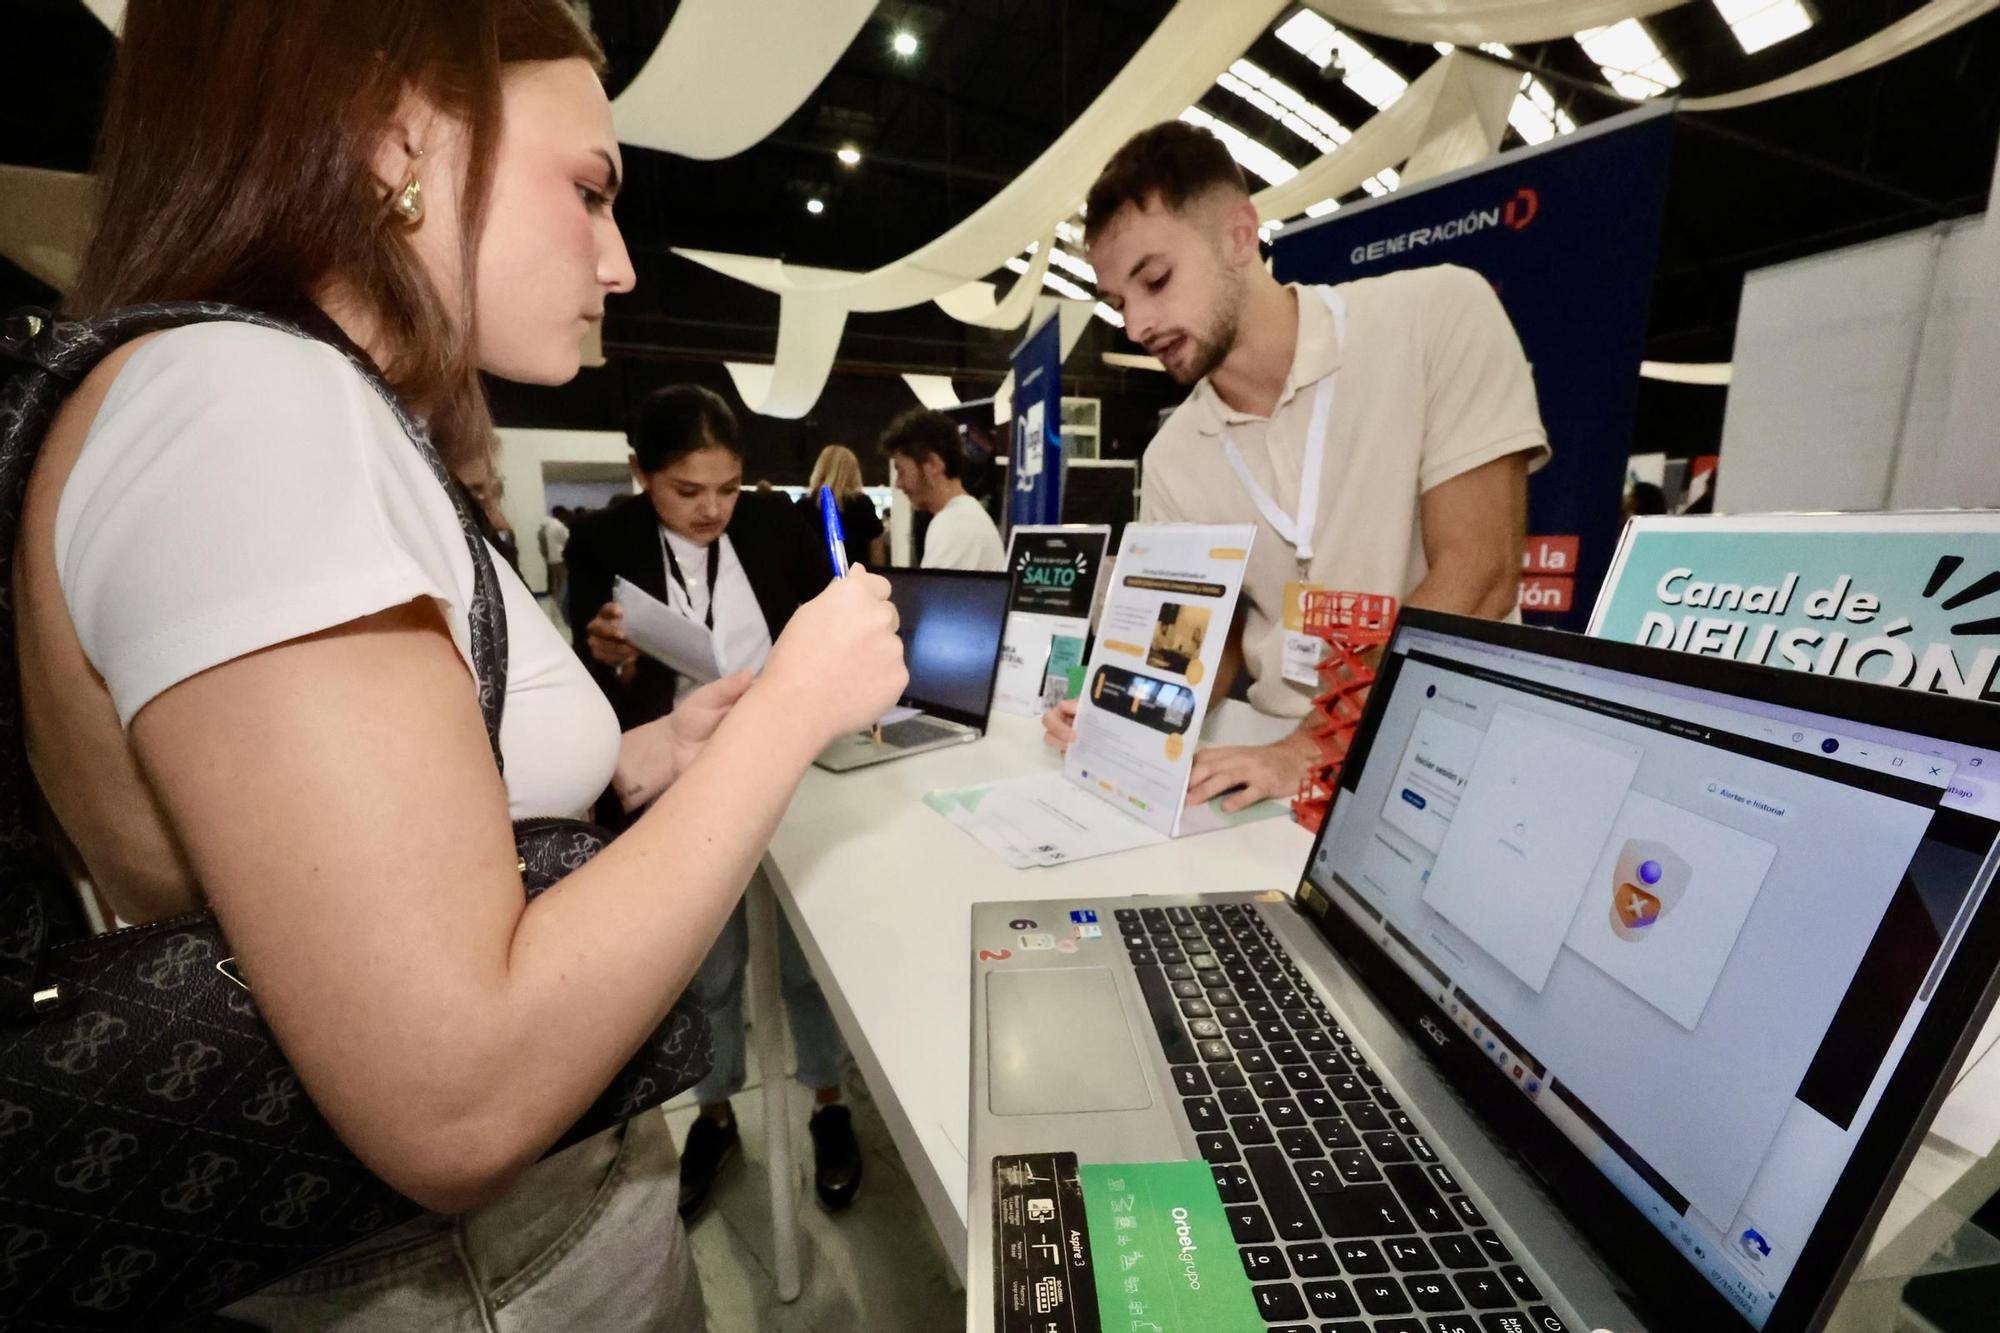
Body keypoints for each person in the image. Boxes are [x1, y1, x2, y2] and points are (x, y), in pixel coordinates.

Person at [22, 3, 906, 1328]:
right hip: (481, 1277)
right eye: (590, 191)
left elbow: (410, 829)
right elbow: (458, 1091)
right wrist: (793, 711)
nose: (618, 264)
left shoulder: (250, 397)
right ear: (396, 142)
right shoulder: (248, 410)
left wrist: (655, 751)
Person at [1044, 121, 1547, 811]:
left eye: (1155, 280)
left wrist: (1314, 747)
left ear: (1240, 235)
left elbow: (1481, 574)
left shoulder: (1438, 315)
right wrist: (1124, 710)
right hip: (1270, 756)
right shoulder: (1171, 458)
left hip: (1449, 751)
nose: (1135, 326)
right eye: (1119, 303)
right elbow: (1201, 640)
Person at [564, 386, 865, 1219]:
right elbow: (595, 682)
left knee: (809, 953)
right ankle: (716, 1110)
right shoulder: (604, 539)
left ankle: (830, 1101)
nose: (710, 510)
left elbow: (826, 625)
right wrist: (613, 659)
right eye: (686, 491)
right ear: (641, 473)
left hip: (785, 765)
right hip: (673, 782)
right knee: (708, 965)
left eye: (727, 489)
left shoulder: (774, 527)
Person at [880, 407, 1007, 571]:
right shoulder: (961, 517)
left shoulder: (955, 524)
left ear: (933, 464)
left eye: (901, 471)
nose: (898, 483)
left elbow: (933, 595)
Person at [804, 442, 888, 567]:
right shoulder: (863, 504)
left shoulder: (804, 506)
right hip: (856, 580)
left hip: (815, 581)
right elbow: (876, 551)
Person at [539, 504, 572, 609]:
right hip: (561, 558)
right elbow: (567, 540)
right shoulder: (559, 526)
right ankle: (562, 604)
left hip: (552, 558)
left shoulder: (548, 526)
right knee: (563, 581)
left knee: (555, 582)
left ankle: (556, 602)